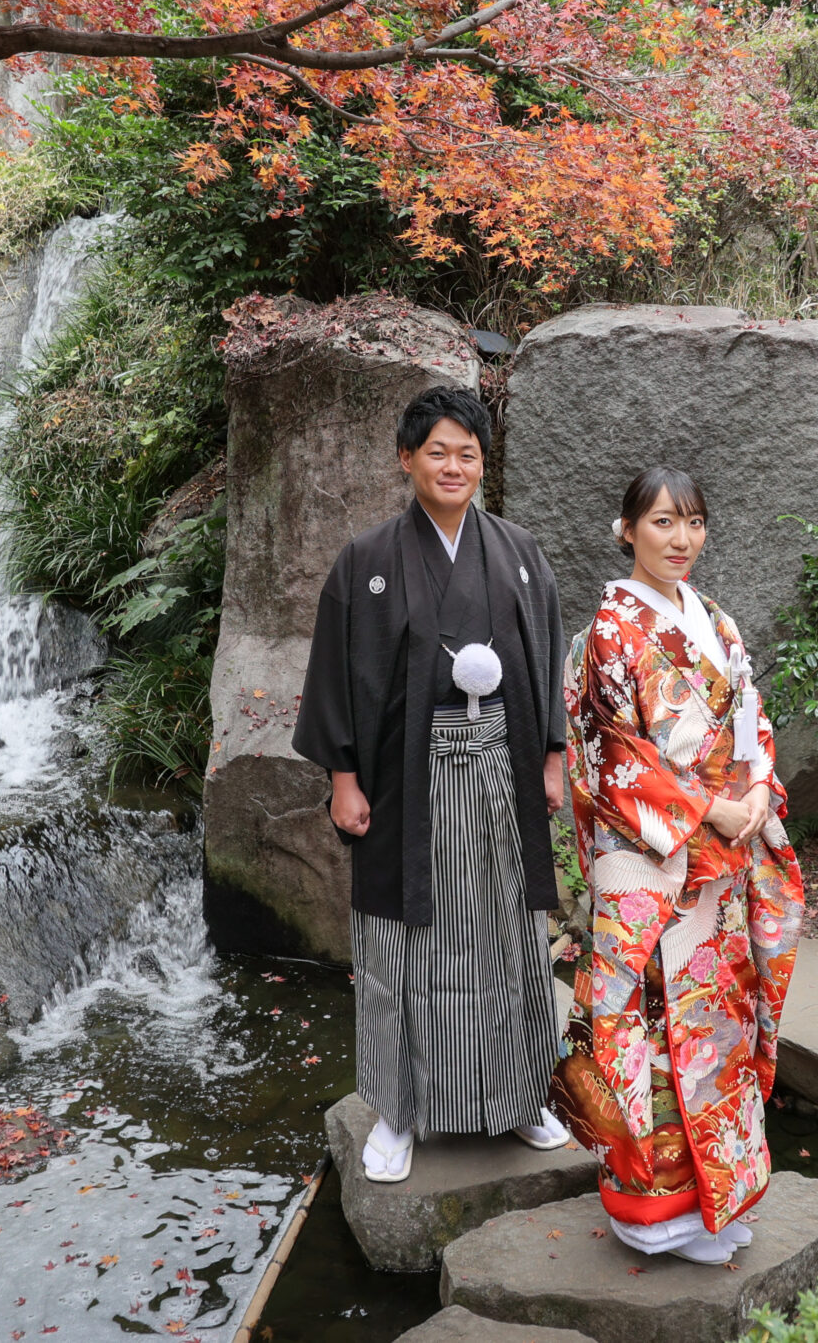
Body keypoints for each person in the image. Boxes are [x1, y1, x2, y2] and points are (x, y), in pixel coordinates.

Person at [291, 384, 574, 1184]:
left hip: (502, 771)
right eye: (438, 451)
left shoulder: (519, 553)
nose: (454, 466)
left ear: (484, 463)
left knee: (510, 933)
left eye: (468, 453)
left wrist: (552, 760)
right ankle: (397, 1109)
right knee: (402, 944)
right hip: (404, 784)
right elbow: (336, 675)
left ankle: (521, 1094)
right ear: (406, 459)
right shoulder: (367, 562)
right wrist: (343, 779)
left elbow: (547, 660)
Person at [554, 466, 805, 1263]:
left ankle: (714, 1202)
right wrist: (706, 810)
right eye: (663, 521)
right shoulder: (610, 632)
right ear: (627, 529)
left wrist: (756, 788)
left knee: (720, 1026)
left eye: (693, 521)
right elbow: (613, 757)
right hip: (655, 867)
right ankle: (654, 1216)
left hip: (722, 863)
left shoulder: (716, 619)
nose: (682, 538)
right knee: (657, 1033)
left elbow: (751, 717)